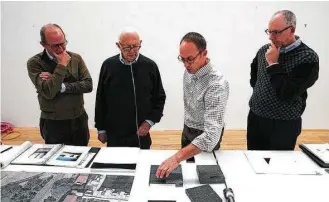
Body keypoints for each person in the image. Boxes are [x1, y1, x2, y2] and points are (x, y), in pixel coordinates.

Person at [156, 32, 229, 178]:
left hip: (206, 135)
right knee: (185, 175)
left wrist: (176, 157)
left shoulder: (216, 85)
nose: (186, 65)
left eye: (190, 59)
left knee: (205, 180)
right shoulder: (189, 71)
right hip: (187, 129)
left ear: (204, 53)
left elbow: (211, 136)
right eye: (182, 59)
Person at [247, 10, 319, 150]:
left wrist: (273, 64)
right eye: (269, 31)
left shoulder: (308, 58)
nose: (270, 37)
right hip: (256, 118)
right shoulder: (264, 51)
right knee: (253, 161)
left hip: (283, 124)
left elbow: (288, 93)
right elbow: (254, 78)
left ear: (291, 29)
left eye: (276, 32)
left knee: (280, 167)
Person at [95, 28, 166, 149]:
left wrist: (150, 121)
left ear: (140, 44)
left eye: (136, 46)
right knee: (116, 166)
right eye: (127, 47)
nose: (132, 51)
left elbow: (159, 97)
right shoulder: (108, 65)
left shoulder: (150, 66)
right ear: (118, 45)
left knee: (141, 165)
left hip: (140, 133)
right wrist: (100, 128)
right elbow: (101, 98)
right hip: (115, 134)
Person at [27, 23, 93, 146]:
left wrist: (62, 86)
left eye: (63, 43)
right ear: (43, 44)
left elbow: (88, 85)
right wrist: (61, 65)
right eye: (55, 46)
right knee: (55, 161)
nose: (61, 49)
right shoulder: (35, 63)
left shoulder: (75, 58)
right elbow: (49, 91)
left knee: (82, 157)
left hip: (78, 119)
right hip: (54, 123)